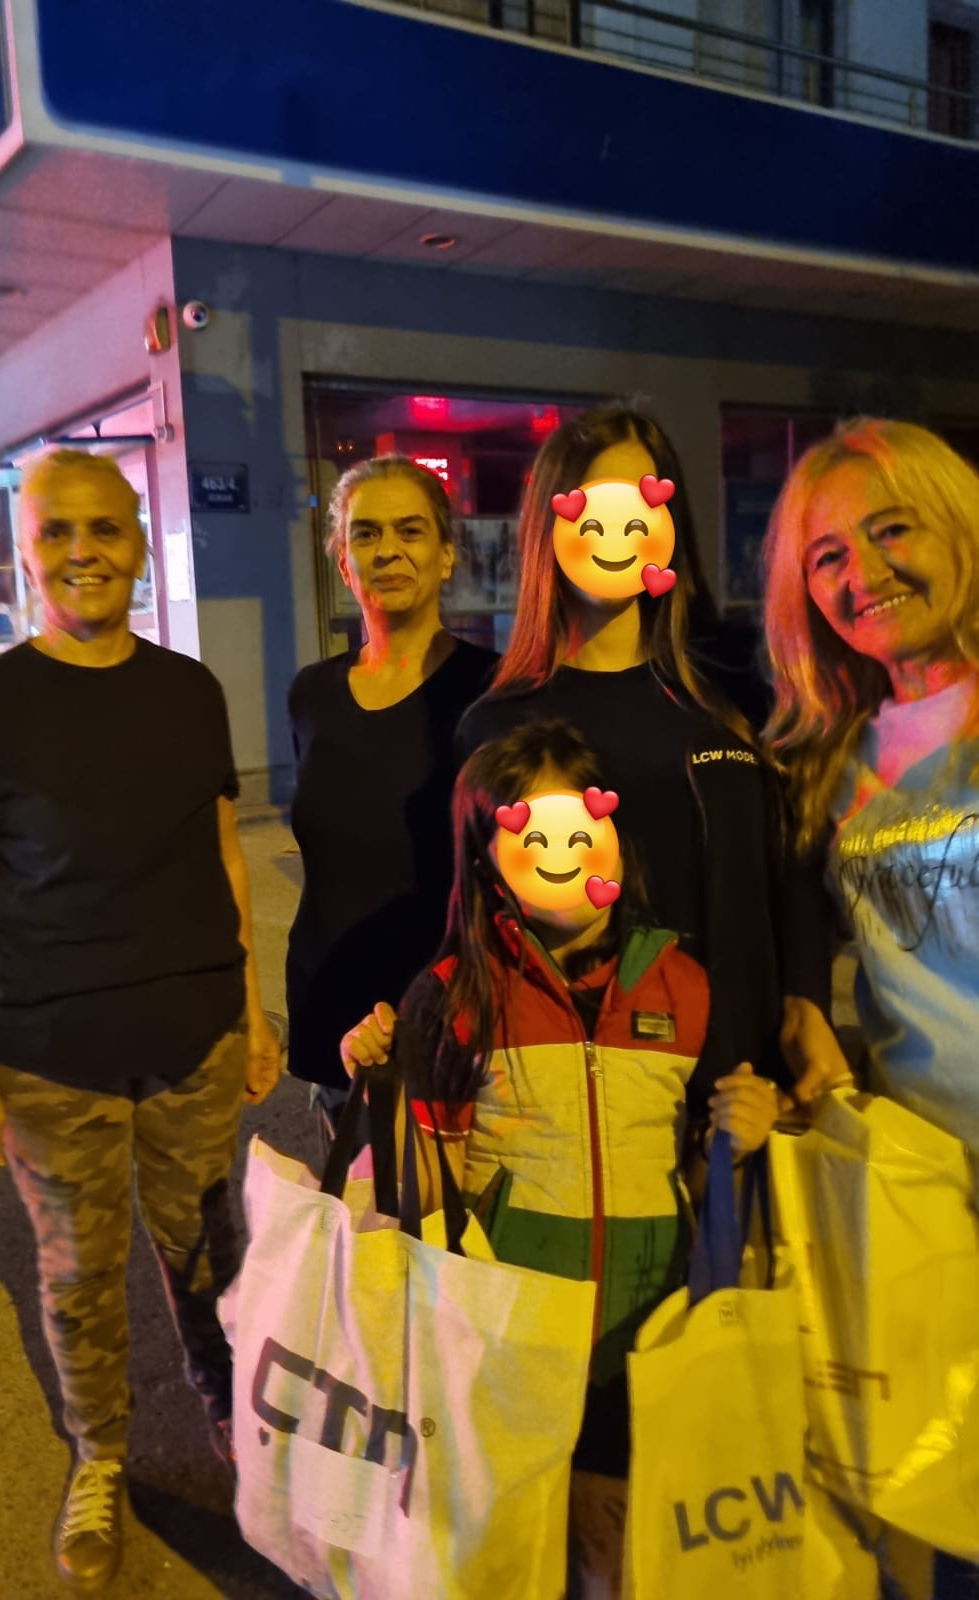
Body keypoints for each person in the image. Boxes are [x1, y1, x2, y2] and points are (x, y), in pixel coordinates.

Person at [0, 450, 280, 1594]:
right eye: (58, 532)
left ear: (140, 542)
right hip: (47, 1056)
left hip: (194, 1035)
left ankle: (237, 1424)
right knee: (80, 1275)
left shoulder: (189, 691)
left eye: (105, 529)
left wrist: (250, 1003)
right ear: (26, 552)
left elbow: (222, 853)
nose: (84, 552)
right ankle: (101, 1454)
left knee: (207, 1248)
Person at [340, 719, 781, 1599]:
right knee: (514, 1554)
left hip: (645, 1335)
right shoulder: (452, 998)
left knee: (621, 1556)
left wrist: (744, 1130)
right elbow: (424, 1199)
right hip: (503, 1345)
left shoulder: (684, 985)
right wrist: (383, 1086)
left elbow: (703, 1168)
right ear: (487, 862)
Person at [452, 403, 847, 1109]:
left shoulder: (744, 688)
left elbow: (796, 863)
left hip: (748, 1088)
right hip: (596, 1107)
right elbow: (476, 929)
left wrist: (807, 998)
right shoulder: (498, 726)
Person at [763, 416, 979, 1598]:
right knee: (936, 1490)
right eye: (828, 556)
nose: (864, 572)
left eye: (892, 530)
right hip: (921, 1188)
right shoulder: (831, 757)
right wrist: (801, 1002)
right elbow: (796, 915)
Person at [285, 455, 498, 1143]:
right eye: (366, 534)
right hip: (330, 1004)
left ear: (445, 555)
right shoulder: (311, 694)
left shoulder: (494, 694)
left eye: (410, 531)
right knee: (352, 1203)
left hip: (446, 1017)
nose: (387, 550)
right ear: (343, 563)